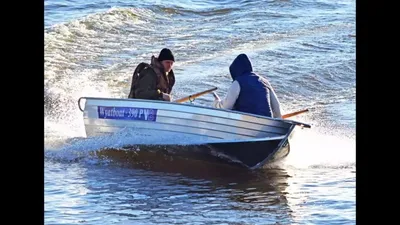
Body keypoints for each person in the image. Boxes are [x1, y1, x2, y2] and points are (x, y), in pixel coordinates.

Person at [212, 53, 282, 118]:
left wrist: (216, 103)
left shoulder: (238, 82)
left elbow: (227, 107)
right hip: (267, 121)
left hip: (246, 120)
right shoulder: (265, 82)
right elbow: (277, 109)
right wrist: (278, 120)